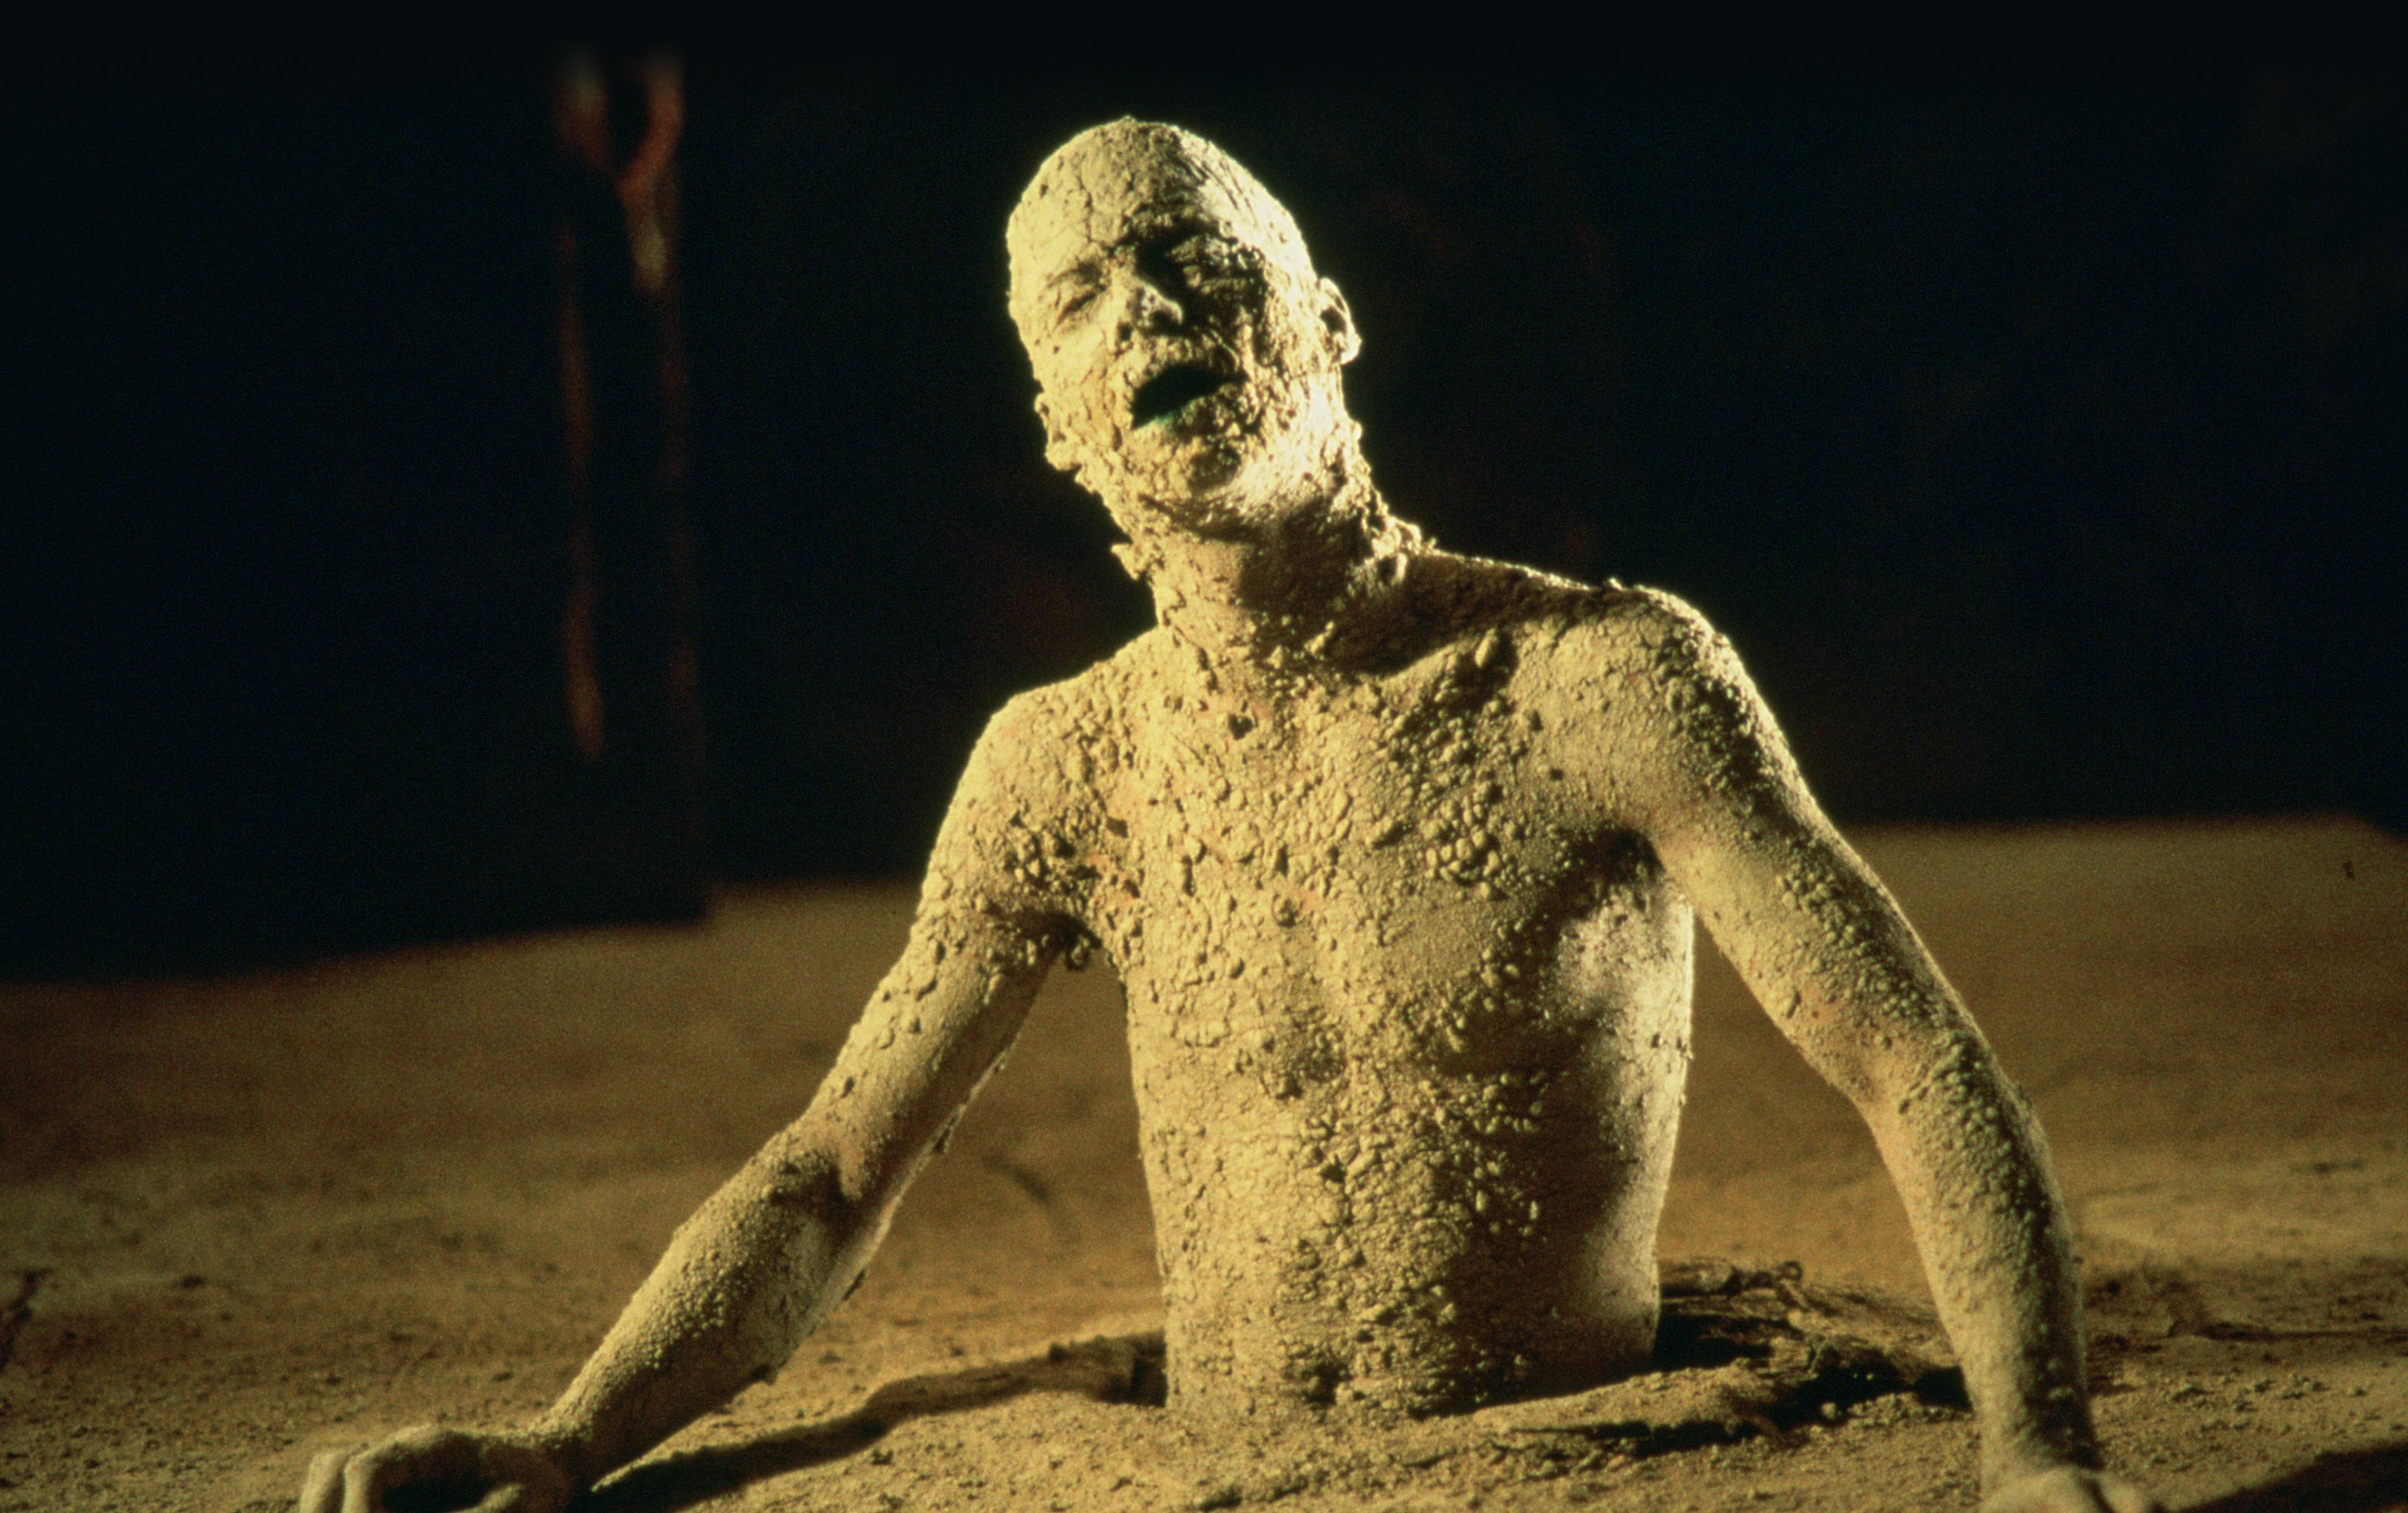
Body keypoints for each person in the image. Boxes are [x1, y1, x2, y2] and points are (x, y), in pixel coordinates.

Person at [301, 121, 2160, 1512]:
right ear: (1059, 427)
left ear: (1329, 323)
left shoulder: (1598, 679)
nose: (1152, 305)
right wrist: (566, 1444)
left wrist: (2038, 1455)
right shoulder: (1069, 765)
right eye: (1083, 298)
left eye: (1193, 252)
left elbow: (1908, 1057)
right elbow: (835, 1171)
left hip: (1569, 1446)